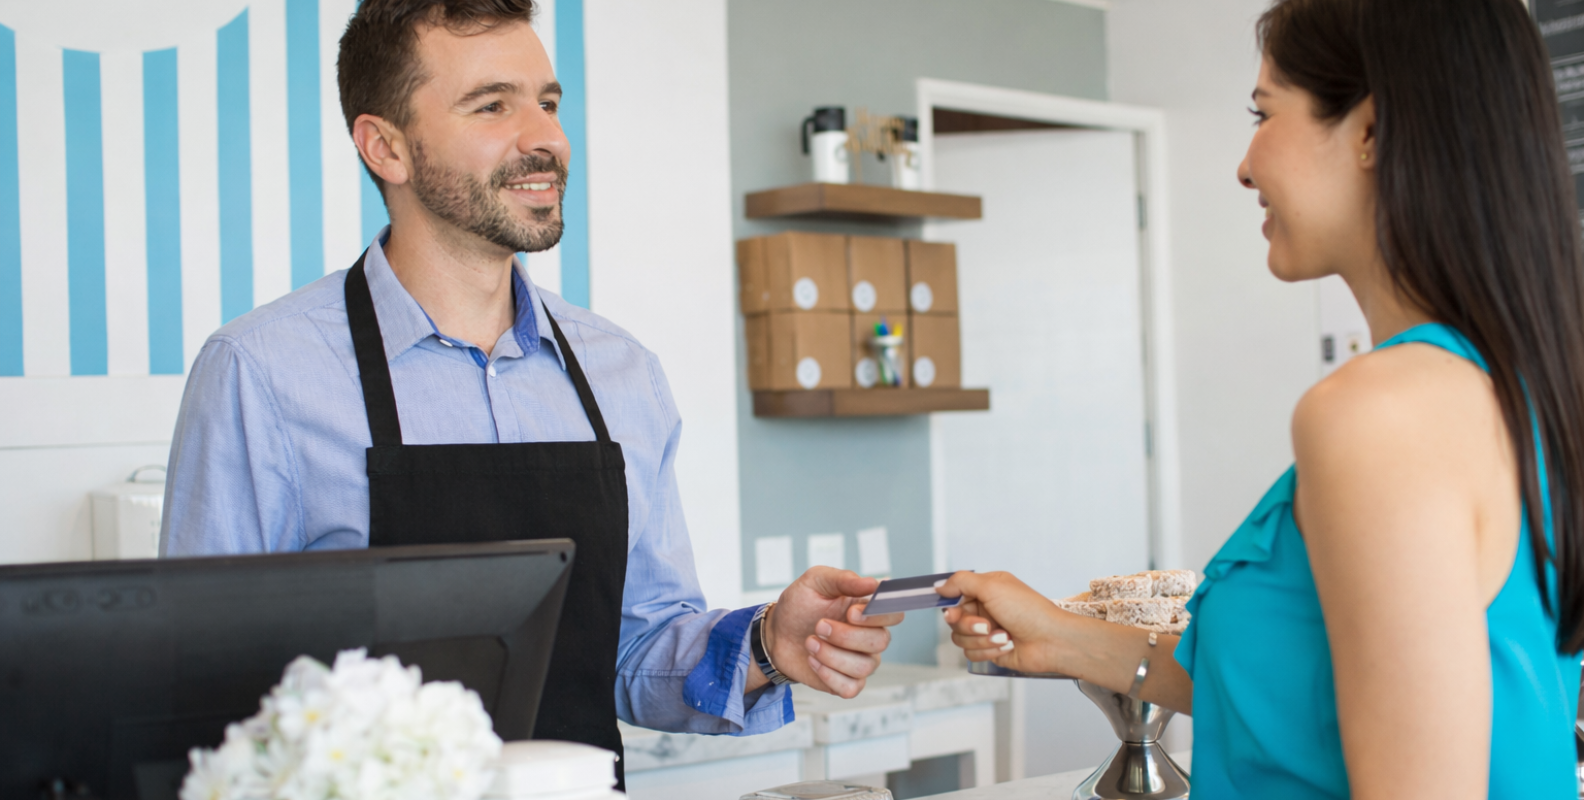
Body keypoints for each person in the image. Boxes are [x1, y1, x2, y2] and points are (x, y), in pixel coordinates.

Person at [159, 0, 903, 783]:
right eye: (492, 105)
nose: (545, 136)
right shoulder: (261, 374)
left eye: (547, 102)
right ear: (386, 147)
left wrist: (766, 646)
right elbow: (201, 700)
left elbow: (635, 650)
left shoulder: (623, 374)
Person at [941, 0, 1584, 797]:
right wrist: (1058, 636)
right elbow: (1304, 693)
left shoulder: (1381, 414)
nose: (1245, 165)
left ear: (1371, 131)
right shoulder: (1503, 388)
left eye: (1263, 112)